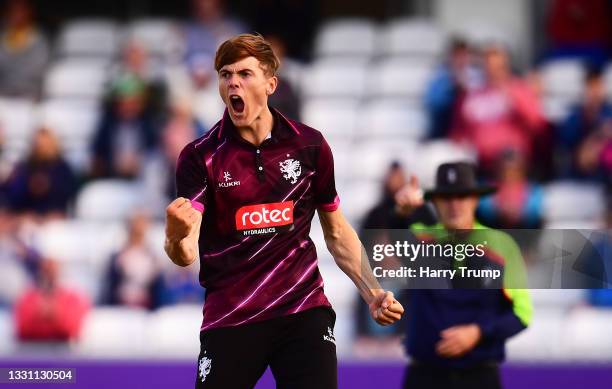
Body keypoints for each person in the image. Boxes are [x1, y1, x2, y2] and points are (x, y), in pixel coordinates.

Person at [164, 34, 404, 389]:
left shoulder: (310, 145)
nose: (233, 82)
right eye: (225, 74)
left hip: (302, 309)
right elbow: (185, 256)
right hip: (233, 315)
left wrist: (373, 293)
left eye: (244, 74)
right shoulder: (202, 156)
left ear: (270, 83)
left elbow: (336, 234)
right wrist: (174, 233)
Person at [395, 161, 532, 389]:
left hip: (479, 376)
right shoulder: (419, 240)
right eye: (446, 198)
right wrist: (402, 211)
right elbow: (388, 235)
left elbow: (521, 314)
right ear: (435, 202)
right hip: (424, 376)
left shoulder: (501, 247)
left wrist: (478, 332)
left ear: (475, 199)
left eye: (462, 196)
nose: (455, 204)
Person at [450, 44, 547, 176]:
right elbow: (458, 132)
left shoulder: (519, 89)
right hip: (479, 163)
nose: (493, 70)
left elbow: (538, 125)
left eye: (498, 67)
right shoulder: (471, 95)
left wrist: (514, 99)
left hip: (513, 163)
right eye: (488, 65)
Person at [5, 128, 77, 220]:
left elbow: (68, 192)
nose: (41, 146)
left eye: (44, 143)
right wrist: (25, 184)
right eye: (38, 143)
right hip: (29, 213)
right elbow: (16, 196)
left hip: (52, 213)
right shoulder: (27, 165)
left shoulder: (61, 167)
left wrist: (49, 185)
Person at [558, 65, 612, 182]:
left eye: (597, 85)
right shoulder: (575, 116)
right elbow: (566, 142)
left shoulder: (609, 113)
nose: (594, 91)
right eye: (590, 85)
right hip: (578, 175)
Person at [15, 258, 89, 341]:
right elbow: (21, 330)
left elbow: (72, 330)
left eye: (53, 272)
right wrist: (39, 313)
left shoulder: (74, 298)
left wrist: (54, 314)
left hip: (64, 350)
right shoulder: (28, 297)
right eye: (46, 271)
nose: (50, 277)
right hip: (31, 349)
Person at [103, 211, 163, 310]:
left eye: (140, 230)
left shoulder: (153, 258)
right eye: (135, 229)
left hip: (147, 308)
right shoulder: (117, 257)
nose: (137, 232)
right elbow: (111, 286)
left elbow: (158, 288)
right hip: (120, 306)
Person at [0, 0, 49, 98]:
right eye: (12, 11)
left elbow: (37, 70)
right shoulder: (4, 37)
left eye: (20, 11)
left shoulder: (38, 38)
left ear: (29, 13)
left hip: (30, 95)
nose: (16, 15)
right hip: (3, 94)